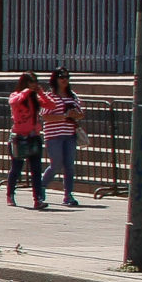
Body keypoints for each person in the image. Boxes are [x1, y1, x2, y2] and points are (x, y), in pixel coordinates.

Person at [7, 71, 47, 210]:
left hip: (33, 136)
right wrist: (26, 91)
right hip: (19, 137)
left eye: (35, 82)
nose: (34, 85)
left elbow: (50, 105)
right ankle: (10, 194)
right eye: (31, 82)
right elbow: (13, 101)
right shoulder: (17, 95)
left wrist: (41, 93)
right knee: (16, 168)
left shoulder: (35, 98)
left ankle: (38, 199)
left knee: (36, 170)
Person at [44, 68, 83, 208]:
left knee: (69, 166)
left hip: (70, 134)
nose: (64, 79)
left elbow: (81, 114)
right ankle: (41, 187)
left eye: (67, 76)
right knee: (56, 164)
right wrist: (63, 116)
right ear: (55, 79)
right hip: (54, 135)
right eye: (61, 77)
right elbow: (45, 116)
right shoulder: (50, 96)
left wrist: (75, 114)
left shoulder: (72, 96)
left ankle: (68, 195)